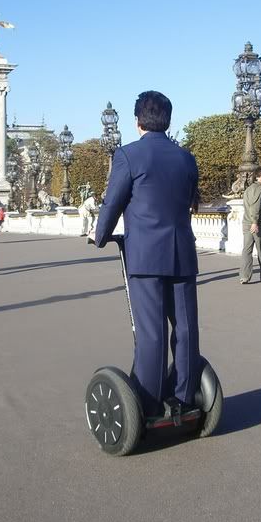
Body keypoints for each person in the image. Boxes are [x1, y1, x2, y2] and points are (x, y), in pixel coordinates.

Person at [94, 90, 202, 418]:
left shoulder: (128, 155)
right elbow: (192, 201)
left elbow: (113, 201)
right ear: (168, 120)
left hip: (145, 256)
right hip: (181, 253)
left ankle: (149, 402)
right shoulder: (186, 158)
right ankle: (184, 397)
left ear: (137, 121)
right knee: (185, 328)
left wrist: (100, 235)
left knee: (151, 332)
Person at [239, 167, 261, 284]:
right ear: (257, 177)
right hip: (257, 224)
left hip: (246, 223)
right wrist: (255, 222)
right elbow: (255, 207)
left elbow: (249, 206)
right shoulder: (259, 189)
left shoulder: (248, 189)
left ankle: (244, 276)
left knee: (246, 251)